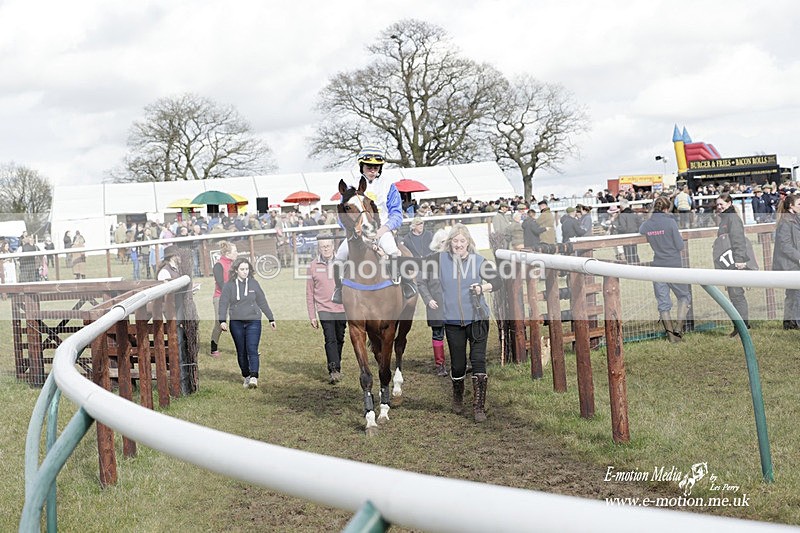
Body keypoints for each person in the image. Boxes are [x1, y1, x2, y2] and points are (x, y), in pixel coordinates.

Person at [421, 224, 501, 422]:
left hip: (477, 318)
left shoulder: (478, 261)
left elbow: (498, 281)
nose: (458, 245)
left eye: (462, 241)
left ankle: (479, 406)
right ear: (450, 243)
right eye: (455, 241)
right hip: (453, 321)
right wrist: (428, 298)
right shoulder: (438, 260)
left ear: (468, 243)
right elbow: (419, 277)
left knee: (478, 361)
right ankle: (458, 395)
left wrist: (483, 288)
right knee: (457, 365)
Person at [332, 145, 416, 304]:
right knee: (340, 256)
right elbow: (342, 216)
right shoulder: (350, 186)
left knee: (393, 251)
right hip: (357, 233)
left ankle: (406, 285)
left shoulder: (389, 186)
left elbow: (397, 214)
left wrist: (383, 230)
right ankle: (338, 289)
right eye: (369, 166)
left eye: (376, 166)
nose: (372, 169)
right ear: (361, 166)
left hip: (382, 230)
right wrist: (354, 231)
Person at [218, 257, 276, 389]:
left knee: (252, 348)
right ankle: (246, 375)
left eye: (247, 269)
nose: (245, 272)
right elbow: (223, 303)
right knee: (241, 351)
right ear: (236, 270)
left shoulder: (254, 284)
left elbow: (262, 301)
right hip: (236, 323)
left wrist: (271, 318)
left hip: (253, 321)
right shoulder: (229, 285)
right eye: (242, 269)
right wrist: (222, 320)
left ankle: (254, 376)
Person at [639, 196, 691, 343]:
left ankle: (670, 336)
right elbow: (680, 245)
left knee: (663, 302)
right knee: (684, 296)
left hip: (658, 266)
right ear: (667, 209)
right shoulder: (670, 222)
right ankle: (678, 330)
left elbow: (641, 229)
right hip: (673, 265)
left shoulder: (648, 224)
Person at [157, 245, 200, 394]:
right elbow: (166, 293)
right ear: (173, 256)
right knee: (179, 348)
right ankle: (181, 386)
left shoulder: (176, 270)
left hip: (181, 312)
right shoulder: (164, 272)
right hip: (173, 314)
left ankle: (187, 384)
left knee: (184, 347)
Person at [306, 235, 347, 383]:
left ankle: (337, 364)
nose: (326, 248)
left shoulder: (342, 263)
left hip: (342, 308)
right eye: (323, 246)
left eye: (328, 246)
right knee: (330, 339)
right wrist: (312, 315)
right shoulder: (312, 266)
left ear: (333, 246)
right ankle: (334, 370)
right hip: (324, 309)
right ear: (319, 248)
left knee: (340, 338)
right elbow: (309, 292)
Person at [714, 193, 753, 336]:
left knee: (737, 294)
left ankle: (743, 327)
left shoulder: (732, 219)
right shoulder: (725, 218)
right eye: (717, 204)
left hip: (734, 261)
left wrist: (739, 260)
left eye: (721, 204)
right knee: (733, 294)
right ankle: (740, 326)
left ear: (729, 203)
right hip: (727, 261)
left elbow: (738, 240)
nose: (719, 207)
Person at [771, 193, 800, 330]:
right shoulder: (786, 222)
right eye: (799, 204)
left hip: (793, 263)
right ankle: (793, 323)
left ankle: (790, 323)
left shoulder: (794, 220)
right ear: (791, 206)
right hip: (789, 264)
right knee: (794, 294)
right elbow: (785, 246)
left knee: (794, 294)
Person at [210, 241, 238, 357]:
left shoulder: (235, 265)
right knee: (219, 323)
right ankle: (213, 348)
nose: (237, 253)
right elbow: (221, 283)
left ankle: (244, 348)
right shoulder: (218, 265)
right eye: (235, 251)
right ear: (227, 253)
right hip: (220, 298)